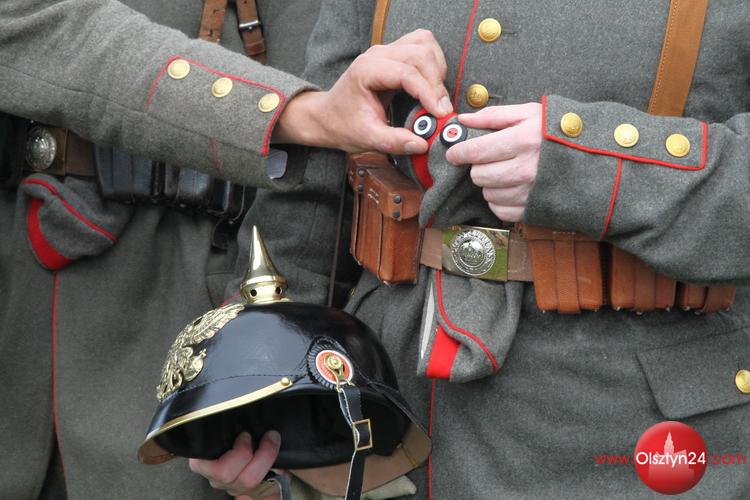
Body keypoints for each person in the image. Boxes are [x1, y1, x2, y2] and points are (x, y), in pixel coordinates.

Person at [193, 1, 750, 498]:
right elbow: (321, 181)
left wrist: (599, 170)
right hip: (392, 414)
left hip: (634, 434)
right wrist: (263, 377)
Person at [0, 0, 453, 498]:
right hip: (46, 286)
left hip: (253, 278)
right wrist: (295, 112)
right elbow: (29, 25)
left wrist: (277, 348)